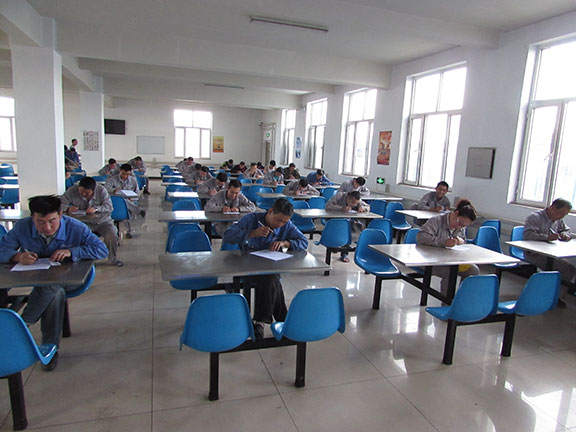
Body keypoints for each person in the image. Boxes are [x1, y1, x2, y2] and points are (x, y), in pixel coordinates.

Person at [0, 195, 108, 370]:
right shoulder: (22, 227)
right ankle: (50, 348)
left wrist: (72, 252)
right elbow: (2, 249)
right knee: (54, 293)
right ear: (32, 218)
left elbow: (102, 250)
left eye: (52, 221)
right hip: (41, 279)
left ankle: (21, 325)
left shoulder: (75, 227)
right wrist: (17, 256)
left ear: (60, 215)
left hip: (73, 279)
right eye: (40, 222)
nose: (47, 227)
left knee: (50, 286)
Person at [223, 198, 308, 339]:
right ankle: (277, 319)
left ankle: (261, 322)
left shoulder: (286, 225)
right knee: (271, 278)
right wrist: (252, 233)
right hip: (248, 266)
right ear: (270, 211)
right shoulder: (251, 219)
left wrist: (285, 243)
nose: (280, 224)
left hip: (270, 265)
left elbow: (303, 241)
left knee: (271, 277)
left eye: (284, 222)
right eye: (278, 220)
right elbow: (228, 236)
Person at [416, 199, 479, 297]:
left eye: (463, 226)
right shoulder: (436, 221)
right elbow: (421, 237)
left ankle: (461, 299)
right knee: (449, 272)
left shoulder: (460, 227)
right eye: (460, 223)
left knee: (473, 270)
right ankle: (446, 303)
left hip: (450, 260)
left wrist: (460, 241)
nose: (460, 227)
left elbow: (463, 240)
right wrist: (443, 242)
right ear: (455, 213)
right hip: (429, 260)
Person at [61, 177, 123, 266]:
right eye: (81, 191)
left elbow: (109, 207)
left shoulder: (101, 190)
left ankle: (112, 259)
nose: (83, 194)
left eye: (87, 193)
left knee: (112, 234)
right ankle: (80, 259)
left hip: (102, 222)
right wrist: (68, 208)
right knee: (75, 235)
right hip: (83, 223)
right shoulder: (72, 191)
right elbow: (60, 205)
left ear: (93, 190)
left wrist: (96, 208)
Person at [523, 198, 575, 288]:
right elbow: (528, 235)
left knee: (571, 269)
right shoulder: (535, 217)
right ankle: (552, 291)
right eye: (561, 213)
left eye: (564, 215)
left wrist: (565, 234)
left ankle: (555, 290)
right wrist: (547, 237)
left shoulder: (558, 220)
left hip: (550, 253)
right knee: (565, 270)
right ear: (553, 208)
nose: (561, 217)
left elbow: (566, 230)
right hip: (534, 254)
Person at [326, 191, 370, 262]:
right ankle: (334, 245)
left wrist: (363, 209)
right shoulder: (339, 195)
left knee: (348, 228)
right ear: (348, 198)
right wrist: (341, 208)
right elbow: (328, 206)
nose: (354, 205)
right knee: (344, 227)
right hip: (333, 218)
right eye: (352, 202)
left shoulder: (357, 200)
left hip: (346, 221)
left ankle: (344, 253)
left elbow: (367, 206)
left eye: (355, 203)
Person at [104, 163, 146, 238]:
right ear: (120, 171)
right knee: (123, 201)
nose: (125, 176)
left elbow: (137, 193)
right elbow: (105, 189)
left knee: (125, 204)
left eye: (127, 174)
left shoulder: (133, 180)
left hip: (128, 201)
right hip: (115, 202)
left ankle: (127, 230)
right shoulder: (112, 179)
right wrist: (113, 190)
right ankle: (138, 211)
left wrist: (133, 199)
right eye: (123, 174)